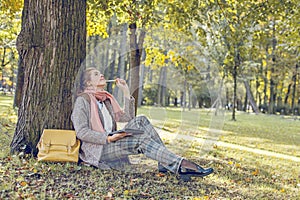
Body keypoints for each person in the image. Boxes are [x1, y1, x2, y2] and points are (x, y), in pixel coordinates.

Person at [71, 67, 213, 181]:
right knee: (140, 140)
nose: (101, 75)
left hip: (112, 141)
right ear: (89, 83)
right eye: (96, 74)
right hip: (99, 151)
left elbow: (128, 117)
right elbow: (81, 132)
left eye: (101, 73)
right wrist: (107, 138)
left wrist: (126, 92)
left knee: (141, 120)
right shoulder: (82, 101)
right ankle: (181, 165)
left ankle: (165, 164)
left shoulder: (106, 99)